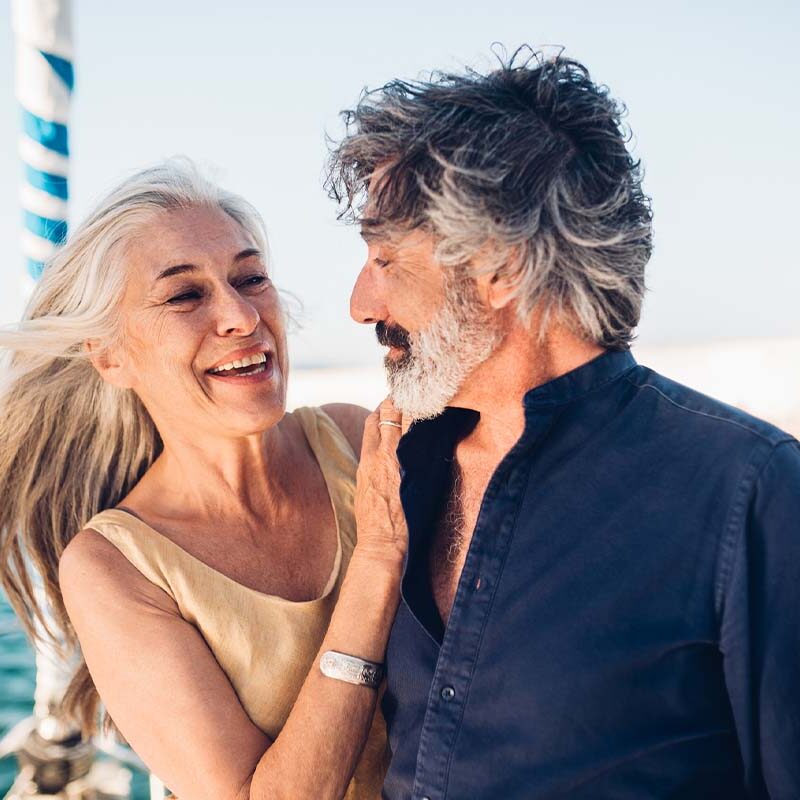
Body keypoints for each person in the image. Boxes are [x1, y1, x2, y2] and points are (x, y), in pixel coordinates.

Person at [326, 49, 800, 798]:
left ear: (502, 265)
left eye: (384, 258)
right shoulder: (398, 471)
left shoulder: (747, 488)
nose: (359, 303)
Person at [0, 160, 407, 800]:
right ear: (110, 355)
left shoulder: (356, 441)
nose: (242, 317)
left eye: (251, 278)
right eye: (185, 295)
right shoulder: (115, 566)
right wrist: (377, 562)